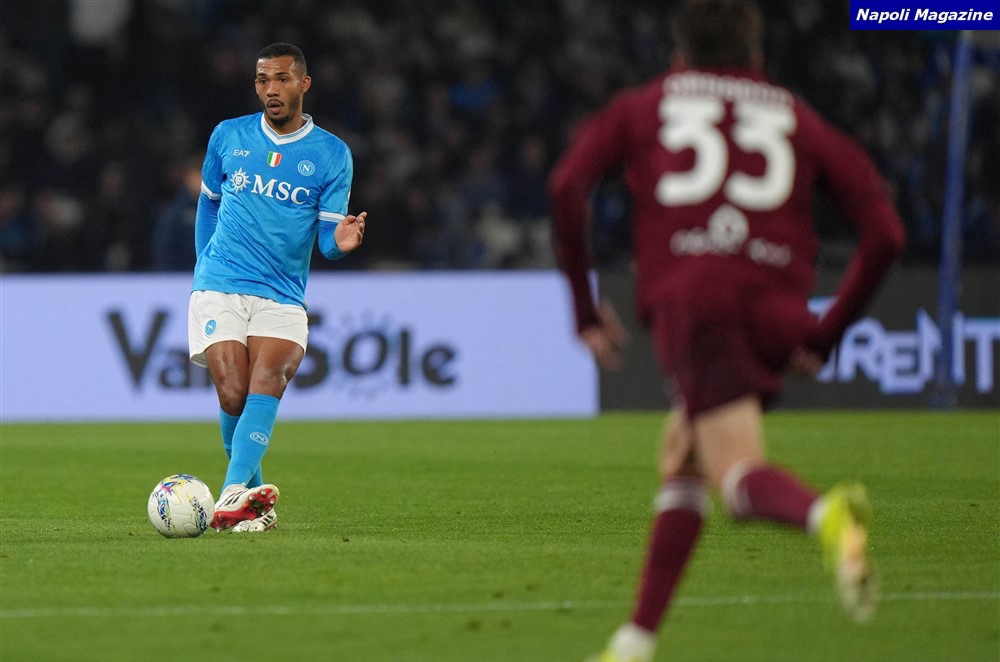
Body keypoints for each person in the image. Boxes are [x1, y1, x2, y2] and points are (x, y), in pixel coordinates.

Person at [548, 2, 906, 660]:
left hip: (698, 303)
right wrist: (825, 334)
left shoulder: (646, 104)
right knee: (683, 453)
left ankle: (827, 517)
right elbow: (886, 232)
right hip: (776, 304)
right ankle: (635, 642)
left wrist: (584, 307)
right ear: (756, 57)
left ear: (678, 56)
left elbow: (568, 184)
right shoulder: (795, 114)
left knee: (736, 476)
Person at [189, 42, 367, 533]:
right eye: (263, 80)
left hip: (283, 293)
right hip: (221, 282)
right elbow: (209, 204)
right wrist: (204, 267)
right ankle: (252, 505)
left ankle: (233, 494)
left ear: (303, 84)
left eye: (282, 79)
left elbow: (327, 242)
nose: (271, 89)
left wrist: (341, 243)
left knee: (267, 381)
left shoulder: (331, 154)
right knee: (232, 394)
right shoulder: (228, 136)